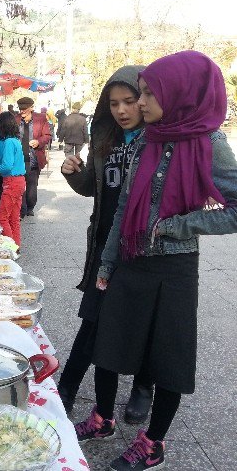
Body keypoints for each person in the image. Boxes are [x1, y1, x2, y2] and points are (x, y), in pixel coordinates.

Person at [75, 51, 237, 470]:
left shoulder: (209, 143)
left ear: (179, 93)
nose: (140, 104)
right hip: (128, 259)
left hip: (173, 268)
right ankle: (103, 418)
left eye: (148, 94)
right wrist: (107, 264)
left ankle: (153, 442)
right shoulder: (150, 138)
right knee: (108, 346)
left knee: (168, 359)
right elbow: (125, 205)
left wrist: (179, 226)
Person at [57, 66, 154, 421]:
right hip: (104, 244)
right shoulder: (106, 138)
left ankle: (144, 387)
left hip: (143, 250)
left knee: (143, 322)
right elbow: (93, 188)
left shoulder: (160, 139)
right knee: (94, 318)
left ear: (145, 98)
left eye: (129, 101)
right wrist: (73, 174)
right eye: (113, 103)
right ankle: (67, 386)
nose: (122, 110)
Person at [0, 111, 25, 248]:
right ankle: (16, 246)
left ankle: (10, 247)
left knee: (1, 217)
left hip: (11, 182)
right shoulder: (16, 141)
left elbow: (7, 165)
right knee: (14, 218)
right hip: (20, 181)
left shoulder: (8, 142)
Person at [15, 97, 51, 218]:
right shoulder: (16, 119)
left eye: (25, 109)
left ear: (31, 107)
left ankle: (30, 207)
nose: (22, 111)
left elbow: (47, 136)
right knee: (20, 184)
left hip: (34, 157)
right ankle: (22, 208)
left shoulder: (40, 119)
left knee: (31, 184)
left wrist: (38, 142)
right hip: (19, 158)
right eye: (20, 109)